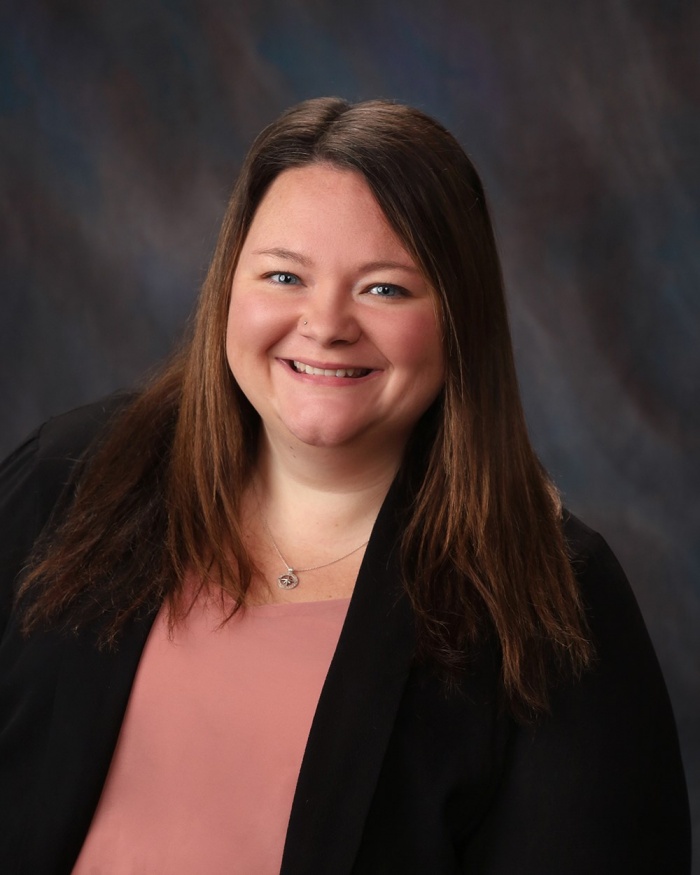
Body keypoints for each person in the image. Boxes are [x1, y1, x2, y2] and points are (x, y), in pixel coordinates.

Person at [0, 97, 690, 874]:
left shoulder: (550, 596)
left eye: (384, 288)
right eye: (285, 275)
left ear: (459, 316)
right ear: (231, 284)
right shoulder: (73, 480)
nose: (325, 324)